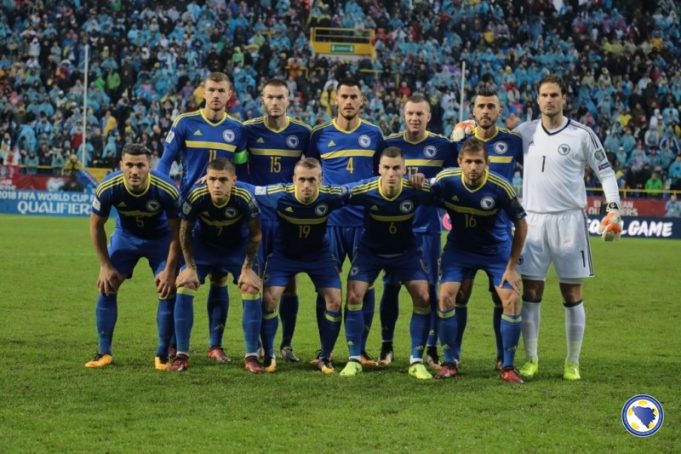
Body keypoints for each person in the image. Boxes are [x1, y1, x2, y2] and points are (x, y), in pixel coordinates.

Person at [515, 74, 621, 381]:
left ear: (564, 98)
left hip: (569, 221)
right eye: (544, 95)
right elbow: (492, 149)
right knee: (531, 290)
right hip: (532, 221)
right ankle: (531, 359)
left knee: (571, 292)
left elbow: (606, 173)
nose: (549, 100)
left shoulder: (582, 134)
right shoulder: (523, 132)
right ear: (537, 99)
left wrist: (613, 208)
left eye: (554, 95)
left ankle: (572, 361)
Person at [157, 72, 248, 363]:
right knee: (181, 275)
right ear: (203, 92)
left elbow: (242, 170)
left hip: (222, 214)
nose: (216, 95)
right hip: (189, 212)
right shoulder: (185, 123)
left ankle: (215, 345)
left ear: (229, 94)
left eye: (221, 90)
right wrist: (165, 194)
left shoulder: (237, 129)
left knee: (220, 278)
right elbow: (163, 164)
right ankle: (173, 345)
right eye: (211, 90)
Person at [430, 138, 527, 384]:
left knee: (511, 298)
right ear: (459, 162)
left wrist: (512, 267)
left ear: (487, 163)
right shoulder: (446, 180)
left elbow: (521, 224)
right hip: (460, 248)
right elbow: (422, 193)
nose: (473, 167)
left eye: (478, 162)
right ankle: (450, 361)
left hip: (495, 250)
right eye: (468, 162)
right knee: (446, 296)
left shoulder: (500, 187)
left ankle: (507, 365)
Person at [307, 77, 384, 365]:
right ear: (336, 99)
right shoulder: (319, 135)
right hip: (330, 223)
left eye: (354, 97)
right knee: (326, 286)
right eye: (345, 96)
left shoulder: (374, 134)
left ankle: (360, 350)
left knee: (365, 286)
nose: (349, 102)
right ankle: (324, 351)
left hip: (365, 223)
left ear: (362, 100)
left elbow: (382, 173)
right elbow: (309, 173)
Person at [339, 147, 434, 380]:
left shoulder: (416, 190)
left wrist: (427, 179)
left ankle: (416, 361)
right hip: (370, 252)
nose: (391, 173)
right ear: (379, 169)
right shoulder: (365, 189)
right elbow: (334, 195)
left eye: (396, 168)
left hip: (405, 252)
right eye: (387, 168)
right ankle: (354, 359)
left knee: (423, 296)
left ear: (404, 169)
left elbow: (449, 190)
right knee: (354, 295)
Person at [85, 144, 181, 370]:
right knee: (107, 285)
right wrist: (104, 265)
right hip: (126, 237)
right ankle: (104, 352)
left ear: (149, 166)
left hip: (161, 239)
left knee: (167, 289)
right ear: (121, 165)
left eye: (140, 165)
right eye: (129, 165)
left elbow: (179, 232)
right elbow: (96, 226)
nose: (134, 171)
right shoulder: (108, 187)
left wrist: (169, 270)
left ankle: (162, 354)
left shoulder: (167, 189)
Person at [379, 95, 457, 369]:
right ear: (404, 115)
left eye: (419, 114)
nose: (414, 118)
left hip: (428, 229)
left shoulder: (442, 146)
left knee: (430, 288)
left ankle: (431, 349)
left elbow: (451, 179)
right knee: (390, 286)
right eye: (410, 113)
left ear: (428, 117)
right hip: (395, 227)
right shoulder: (390, 144)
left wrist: (430, 181)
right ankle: (386, 345)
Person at [450, 87, 524, 371]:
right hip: (465, 234)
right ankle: (453, 356)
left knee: (501, 295)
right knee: (460, 293)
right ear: (473, 111)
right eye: (481, 106)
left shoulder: (513, 142)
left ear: (499, 110)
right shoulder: (459, 143)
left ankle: (502, 358)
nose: (485, 111)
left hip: (500, 234)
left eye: (491, 106)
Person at [253, 158, 349, 374]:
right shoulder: (279, 194)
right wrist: (224, 180)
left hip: (318, 255)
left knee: (334, 300)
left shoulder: (331, 195)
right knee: (269, 298)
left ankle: (325, 357)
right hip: (284, 255)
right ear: (294, 179)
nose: (306, 185)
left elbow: (356, 190)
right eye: (302, 179)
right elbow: (251, 189)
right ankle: (269, 355)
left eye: (312, 180)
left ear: (320, 180)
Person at [169, 158, 263, 373]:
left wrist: (247, 268)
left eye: (223, 180)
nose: (217, 185)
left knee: (250, 287)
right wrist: (190, 267)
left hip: (236, 248)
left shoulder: (245, 197)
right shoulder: (196, 195)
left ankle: (252, 356)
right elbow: (184, 232)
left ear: (234, 181)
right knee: (185, 284)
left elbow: (256, 234)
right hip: (204, 248)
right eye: (212, 179)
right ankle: (182, 355)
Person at [243, 78, 311, 362]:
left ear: (288, 99)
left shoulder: (302, 133)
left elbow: (312, 172)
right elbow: (238, 167)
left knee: (290, 281)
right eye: (270, 97)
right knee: (254, 280)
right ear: (262, 100)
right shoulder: (248, 130)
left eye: (280, 97)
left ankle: (286, 345)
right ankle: (259, 344)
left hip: (288, 219)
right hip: (257, 218)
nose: (275, 102)